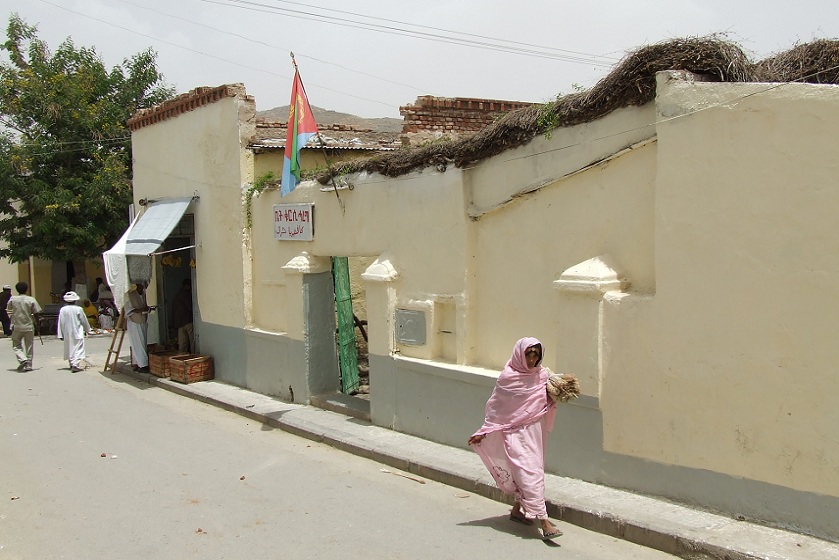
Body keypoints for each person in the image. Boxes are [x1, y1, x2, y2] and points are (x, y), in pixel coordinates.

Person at [468, 337, 563, 540]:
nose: (531, 360)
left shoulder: (542, 375)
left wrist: (556, 396)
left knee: (530, 471)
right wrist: (484, 431)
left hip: (536, 434)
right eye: (527, 355)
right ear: (519, 355)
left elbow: (548, 400)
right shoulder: (507, 379)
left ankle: (516, 511)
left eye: (535, 355)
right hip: (515, 435)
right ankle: (544, 522)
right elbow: (496, 408)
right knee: (530, 472)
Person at [6, 282, 42, 372]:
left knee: (16, 345)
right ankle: (28, 364)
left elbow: (9, 308)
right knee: (29, 345)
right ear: (26, 289)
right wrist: (37, 324)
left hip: (17, 325)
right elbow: (36, 313)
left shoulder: (13, 299)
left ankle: (22, 359)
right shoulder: (31, 299)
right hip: (29, 325)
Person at [57, 291, 91, 372]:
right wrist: (88, 329)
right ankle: (75, 364)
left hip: (67, 332)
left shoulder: (63, 310)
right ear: (75, 300)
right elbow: (84, 320)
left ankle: (72, 363)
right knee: (78, 348)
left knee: (70, 348)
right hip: (77, 331)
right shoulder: (79, 309)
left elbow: (60, 322)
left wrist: (60, 334)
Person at [124, 282, 152, 373]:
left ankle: (137, 363)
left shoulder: (143, 294)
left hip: (143, 320)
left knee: (142, 343)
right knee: (138, 343)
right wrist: (141, 310)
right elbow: (128, 310)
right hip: (134, 322)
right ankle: (143, 365)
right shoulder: (130, 295)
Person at [171, 278, 194, 353]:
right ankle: (194, 357)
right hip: (188, 321)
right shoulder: (185, 294)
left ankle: (181, 357)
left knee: (183, 344)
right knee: (192, 342)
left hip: (180, 323)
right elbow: (190, 307)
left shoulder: (178, 294)